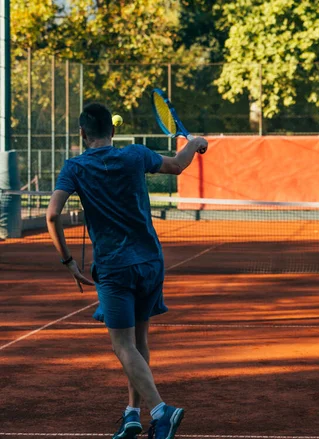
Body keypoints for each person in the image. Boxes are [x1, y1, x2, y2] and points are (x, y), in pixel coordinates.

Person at [46, 103, 208, 439]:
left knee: (122, 346)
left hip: (114, 268)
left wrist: (68, 262)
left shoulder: (74, 168)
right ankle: (132, 414)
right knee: (139, 341)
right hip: (150, 262)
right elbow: (178, 165)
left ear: (81, 133)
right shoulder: (136, 155)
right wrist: (195, 143)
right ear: (113, 131)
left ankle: (162, 412)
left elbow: (52, 215)